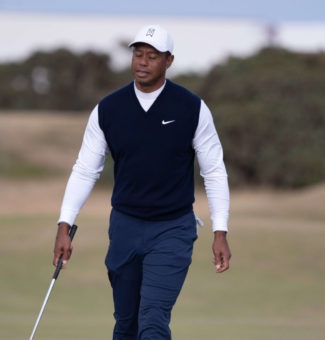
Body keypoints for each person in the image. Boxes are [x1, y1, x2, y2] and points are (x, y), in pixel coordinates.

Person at [53, 24, 231, 339]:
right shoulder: (108, 109)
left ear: (169, 61)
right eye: (138, 54)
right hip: (125, 226)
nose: (143, 62)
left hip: (173, 229)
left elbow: (214, 170)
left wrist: (220, 230)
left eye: (152, 56)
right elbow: (85, 169)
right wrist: (64, 224)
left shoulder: (191, 108)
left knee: (153, 320)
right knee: (126, 324)